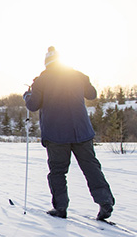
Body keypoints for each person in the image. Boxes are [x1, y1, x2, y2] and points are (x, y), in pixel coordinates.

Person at [23, 46, 114, 220]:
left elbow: (33, 105)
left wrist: (27, 94)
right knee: (91, 167)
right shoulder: (78, 76)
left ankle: (61, 207)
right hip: (82, 131)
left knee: (58, 171)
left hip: (56, 135)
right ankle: (105, 201)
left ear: (47, 63)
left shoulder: (41, 81)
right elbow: (92, 94)